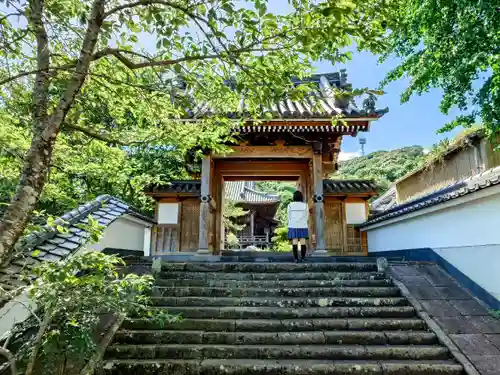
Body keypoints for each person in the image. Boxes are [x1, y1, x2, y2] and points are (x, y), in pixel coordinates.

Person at [287, 190, 309, 262]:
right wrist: (302, 221)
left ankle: (296, 259)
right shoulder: (305, 205)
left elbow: (289, 216)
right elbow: (307, 216)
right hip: (303, 225)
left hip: (293, 225)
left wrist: (292, 222)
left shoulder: (290, 205)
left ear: (294, 197)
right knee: (303, 242)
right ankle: (303, 258)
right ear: (301, 197)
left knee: (294, 242)